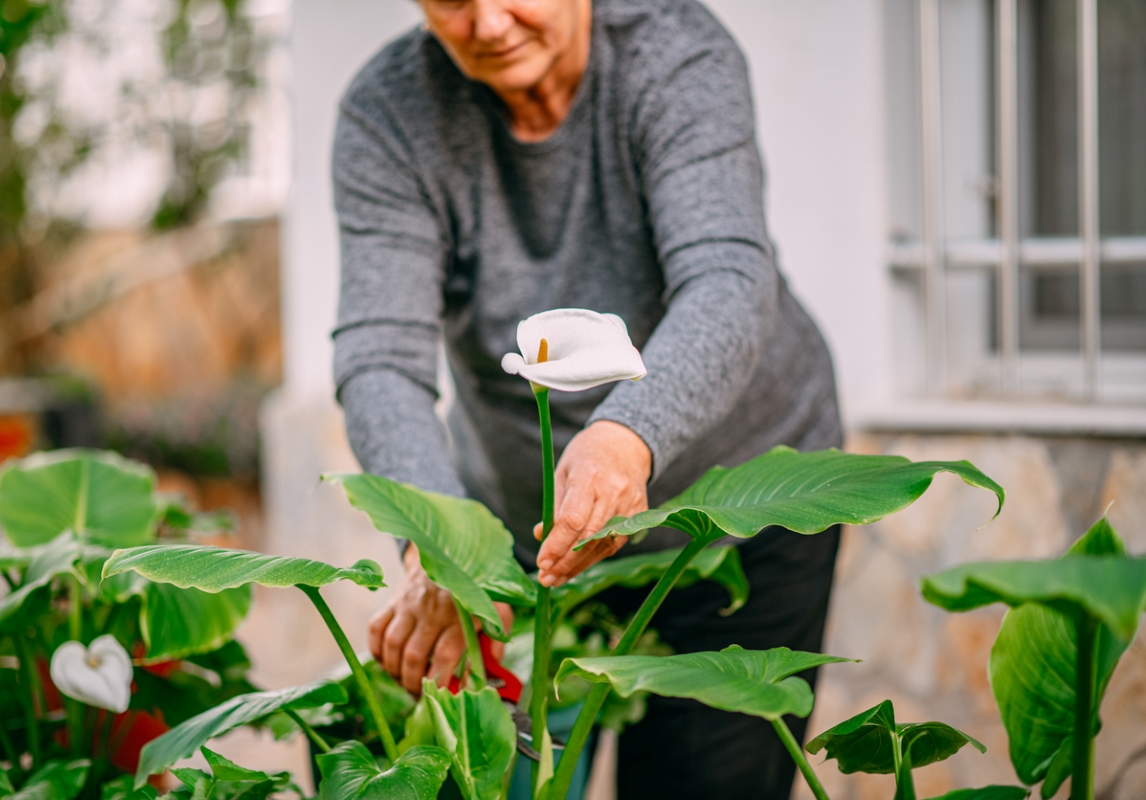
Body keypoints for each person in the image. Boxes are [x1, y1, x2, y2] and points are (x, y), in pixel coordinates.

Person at [332, 0, 842, 796]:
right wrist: (437, 545)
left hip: (742, 505)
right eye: (452, 2)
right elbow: (378, 358)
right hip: (529, 541)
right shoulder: (388, 113)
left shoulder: (674, 55)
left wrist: (627, 432)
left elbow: (728, 279)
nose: (488, 24)